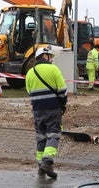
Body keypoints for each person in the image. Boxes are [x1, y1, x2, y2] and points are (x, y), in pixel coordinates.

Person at [25, 46, 67, 179]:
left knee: (41, 137)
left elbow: (29, 92)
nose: (52, 59)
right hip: (53, 108)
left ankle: (40, 167)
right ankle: (47, 162)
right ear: (45, 56)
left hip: (37, 110)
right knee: (53, 135)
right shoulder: (53, 69)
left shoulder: (30, 73)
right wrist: (63, 104)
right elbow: (62, 90)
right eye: (50, 56)